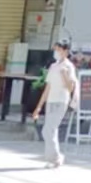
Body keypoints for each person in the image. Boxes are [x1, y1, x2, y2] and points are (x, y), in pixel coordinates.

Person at [31, 38, 77, 167]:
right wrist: (38, 107)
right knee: (51, 130)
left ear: (65, 51)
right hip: (51, 101)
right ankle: (53, 159)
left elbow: (70, 88)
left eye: (59, 49)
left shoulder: (68, 66)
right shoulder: (53, 66)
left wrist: (64, 74)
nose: (56, 51)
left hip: (61, 101)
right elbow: (48, 88)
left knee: (48, 130)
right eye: (55, 49)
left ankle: (56, 157)